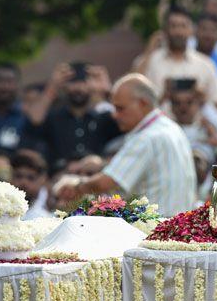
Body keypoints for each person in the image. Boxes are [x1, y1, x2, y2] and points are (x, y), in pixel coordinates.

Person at [56, 73, 196, 217]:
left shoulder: (146, 137)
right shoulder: (172, 127)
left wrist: (76, 187)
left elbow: (105, 183)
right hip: (179, 230)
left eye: (120, 108)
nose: (115, 115)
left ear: (143, 103)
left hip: (154, 232)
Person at [23, 62, 120, 172]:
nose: (78, 88)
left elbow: (131, 121)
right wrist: (52, 87)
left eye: (83, 82)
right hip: (59, 178)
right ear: (64, 85)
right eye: (73, 82)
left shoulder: (102, 119)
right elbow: (34, 120)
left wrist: (108, 91)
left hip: (95, 180)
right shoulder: (54, 118)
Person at [135, 6, 217, 108]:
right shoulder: (150, 60)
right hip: (159, 121)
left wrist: (202, 99)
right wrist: (149, 50)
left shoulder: (205, 64)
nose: (178, 32)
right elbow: (133, 92)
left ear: (191, 30)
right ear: (165, 30)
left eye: (183, 26)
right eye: (173, 26)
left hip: (196, 123)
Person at [170, 86, 217, 157]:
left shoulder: (206, 128)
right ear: (172, 107)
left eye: (189, 102)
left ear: (198, 104)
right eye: (177, 103)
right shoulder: (169, 130)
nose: (183, 107)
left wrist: (205, 103)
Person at [11, 149, 52, 220]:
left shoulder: (52, 209)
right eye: (18, 176)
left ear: (42, 180)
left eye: (30, 178)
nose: (23, 182)